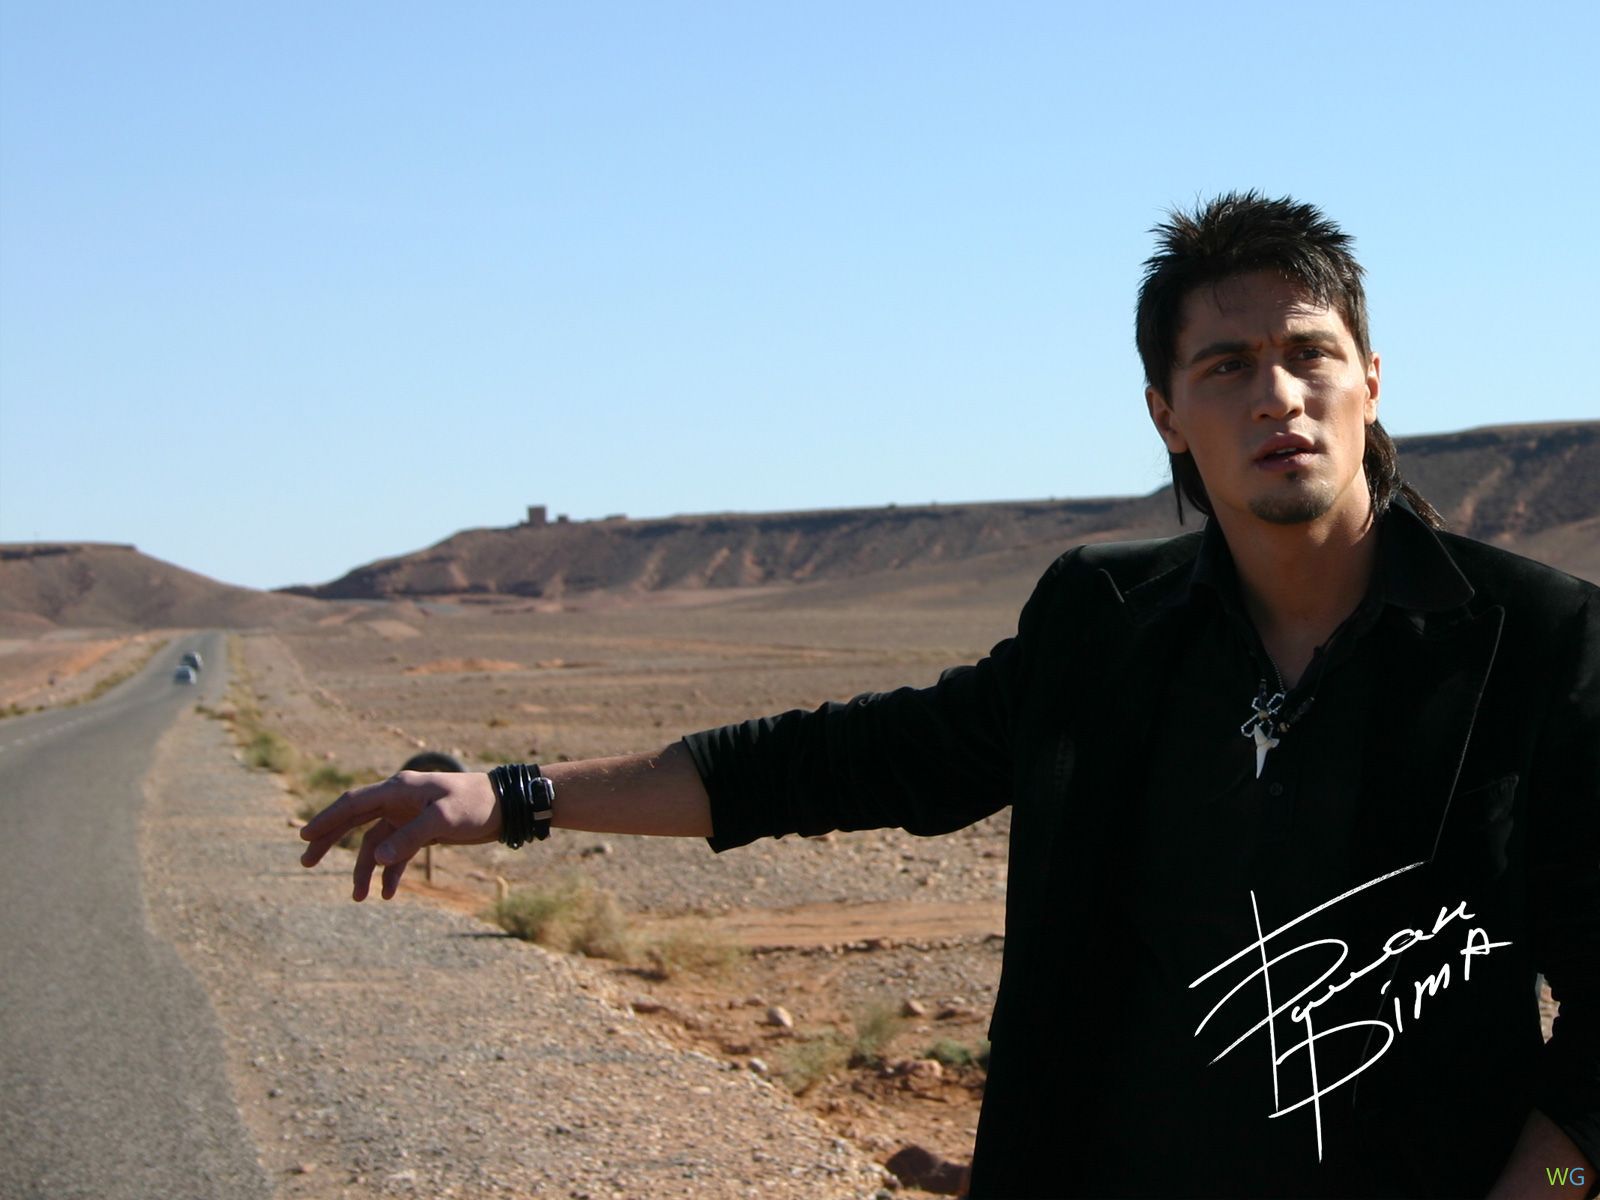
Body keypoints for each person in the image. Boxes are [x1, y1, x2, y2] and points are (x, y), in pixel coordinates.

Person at [300, 192, 1598, 1198]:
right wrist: (516, 797)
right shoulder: (1105, 628)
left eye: (1310, 352)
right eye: (1226, 366)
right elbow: (849, 759)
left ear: (1372, 381)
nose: (1277, 395)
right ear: (1165, 413)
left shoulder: (1536, 644)